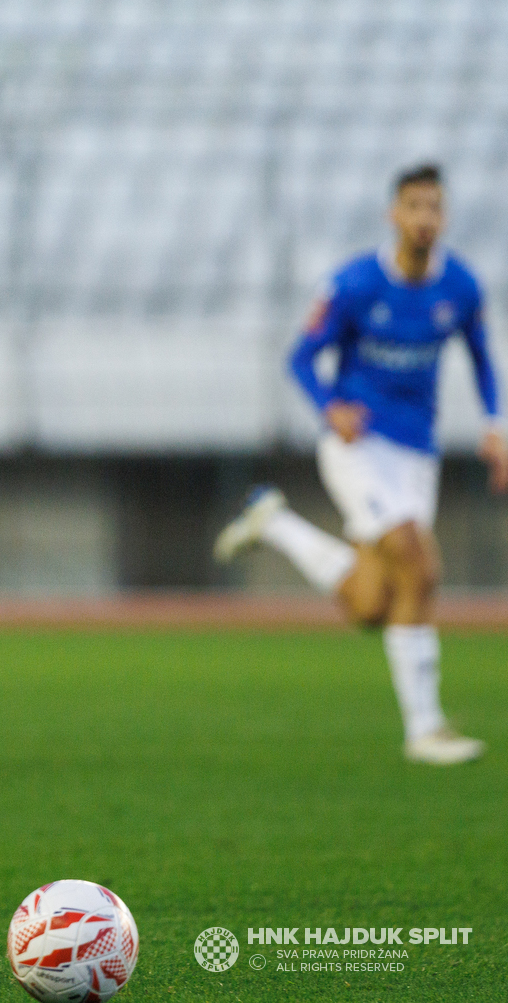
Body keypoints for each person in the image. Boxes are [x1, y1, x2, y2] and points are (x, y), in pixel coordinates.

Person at [216, 163, 504, 765]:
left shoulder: (460, 288)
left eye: (435, 207)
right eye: (415, 206)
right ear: (393, 215)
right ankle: (425, 730)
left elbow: (481, 357)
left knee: (373, 604)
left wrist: (494, 427)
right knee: (419, 566)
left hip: (416, 453)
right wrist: (331, 409)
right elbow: (300, 357)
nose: (426, 218)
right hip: (358, 448)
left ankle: (275, 524)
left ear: (444, 217)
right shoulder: (353, 284)